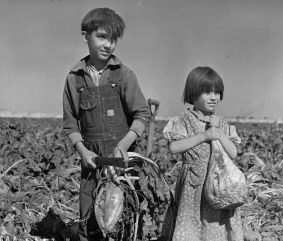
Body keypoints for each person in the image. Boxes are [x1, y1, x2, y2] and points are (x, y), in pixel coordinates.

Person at [62, 8, 151, 241]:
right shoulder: (74, 79)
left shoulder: (124, 75)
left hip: (122, 162)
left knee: (124, 220)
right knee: (88, 221)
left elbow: (142, 115)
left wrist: (124, 145)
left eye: (113, 39)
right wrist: (83, 152)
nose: (108, 44)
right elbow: (70, 124)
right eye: (102, 37)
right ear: (85, 36)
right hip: (91, 162)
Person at [163, 66, 244, 241]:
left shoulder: (222, 123)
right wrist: (205, 135)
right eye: (207, 92)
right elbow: (174, 147)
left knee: (217, 227)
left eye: (217, 92)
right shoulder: (182, 120)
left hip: (218, 186)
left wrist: (219, 133)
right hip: (193, 185)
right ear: (193, 93)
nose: (214, 97)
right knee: (191, 225)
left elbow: (234, 153)